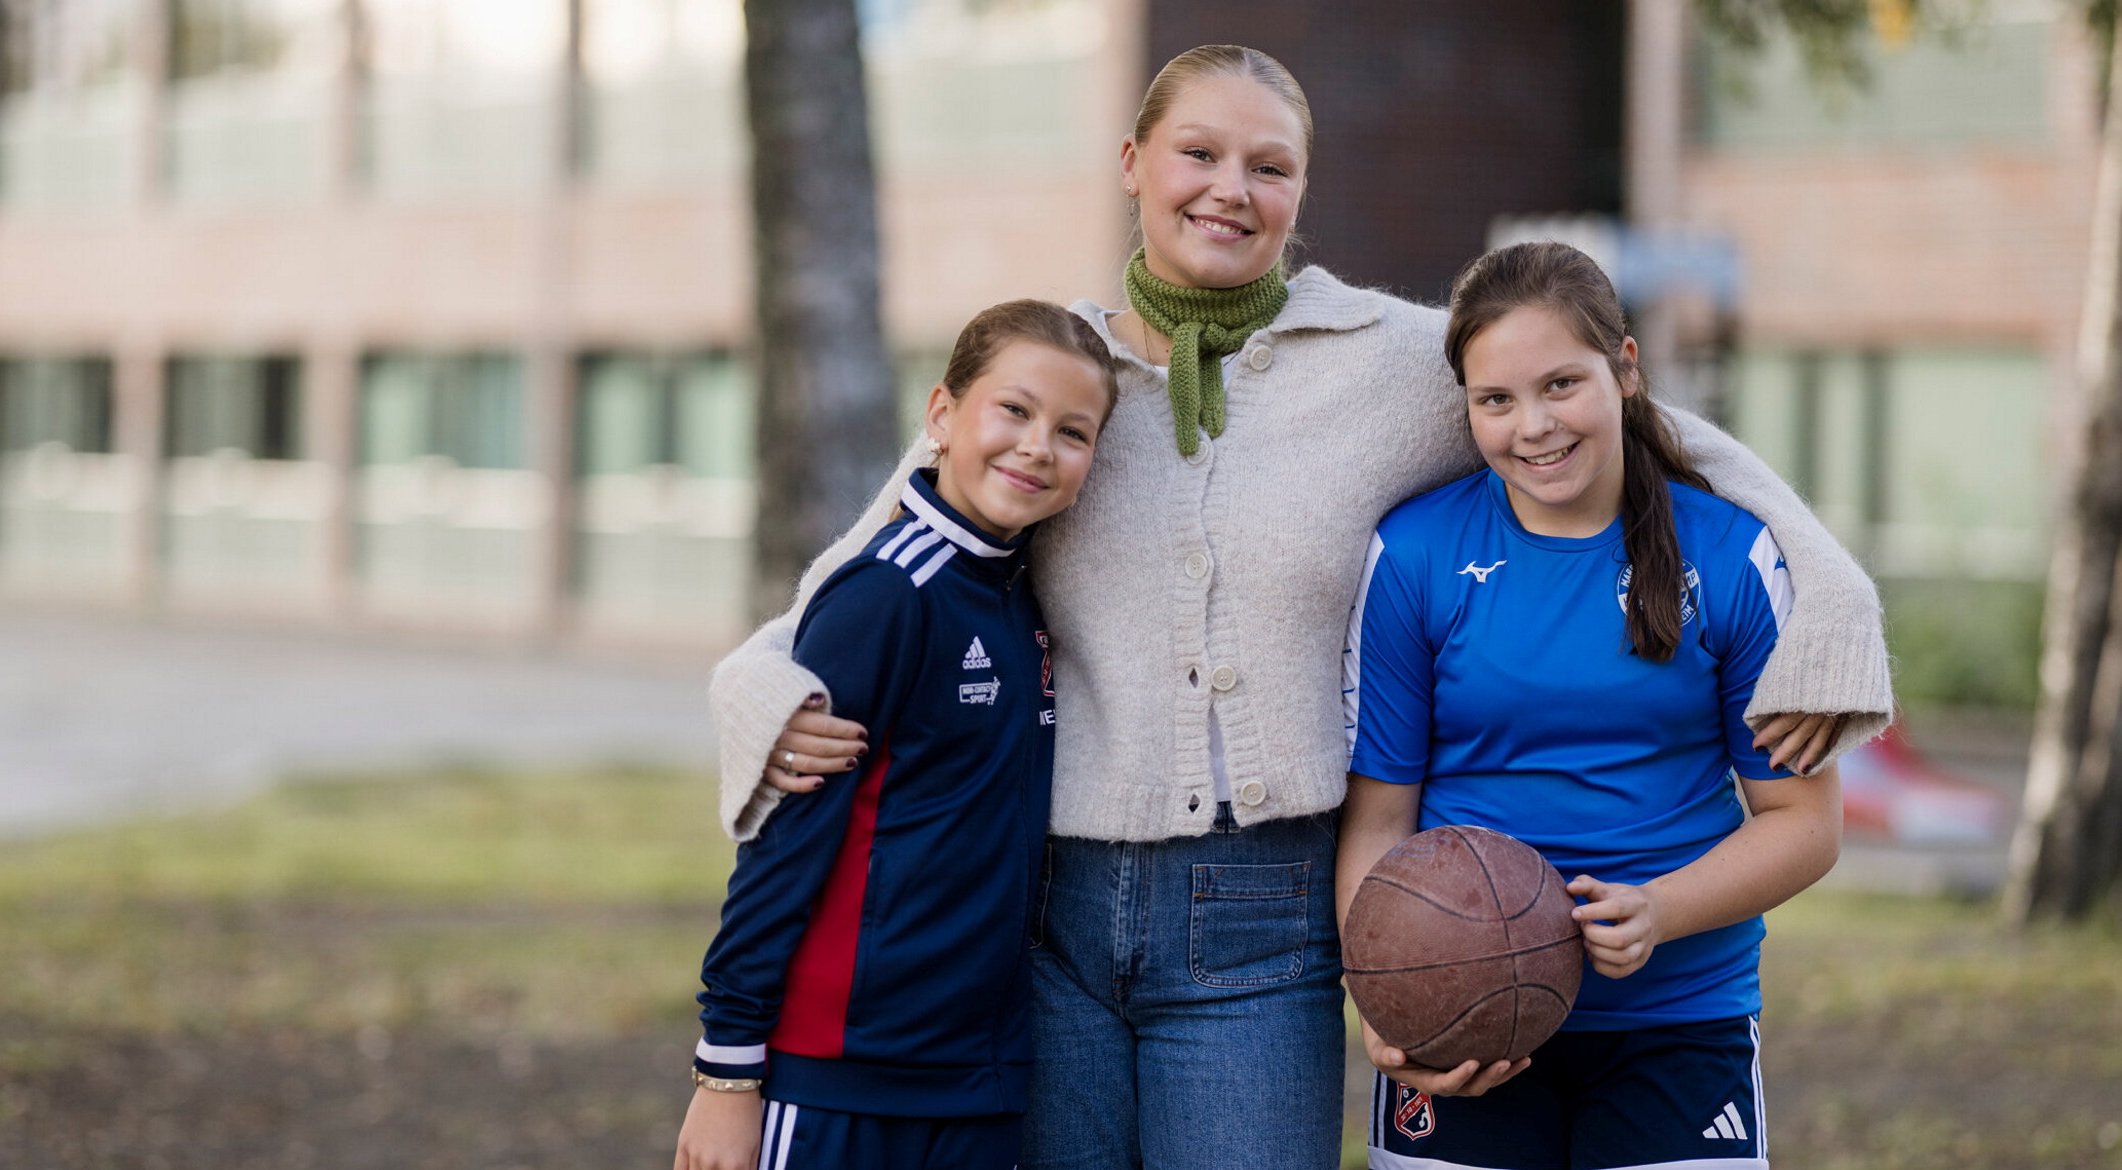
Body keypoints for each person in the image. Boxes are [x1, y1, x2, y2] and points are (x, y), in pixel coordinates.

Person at [709, 46, 1893, 1170]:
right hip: (1046, 915)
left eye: (1268, 166)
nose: (1230, 190)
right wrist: (754, 681)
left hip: (1262, 909)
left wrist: (1831, 597)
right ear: (1132, 163)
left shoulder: (1390, 362)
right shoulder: (1058, 382)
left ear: (1301, 189)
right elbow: (885, 547)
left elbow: (1621, 423)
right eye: (1198, 155)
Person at [1338, 240, 1844, 1170]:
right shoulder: (1413, 555)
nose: (1533, 425)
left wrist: (1659, 909)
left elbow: (1805, 823)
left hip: (1680, 1018)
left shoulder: (1734, 557)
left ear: (1626, 370)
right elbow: (1379, 821)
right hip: (1465, 1025)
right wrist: (1389, 995)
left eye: (1561, 384)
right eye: (1496, 400)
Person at [675, 300, 1124, 1170]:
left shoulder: (1023, 597)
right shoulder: (886, 593)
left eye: (1074, 432)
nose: (1038, 445)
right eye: (1015, 410)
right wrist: (726, 1073)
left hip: (979, 1077)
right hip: (837, 1075)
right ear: (942, 415)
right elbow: (784, 843)